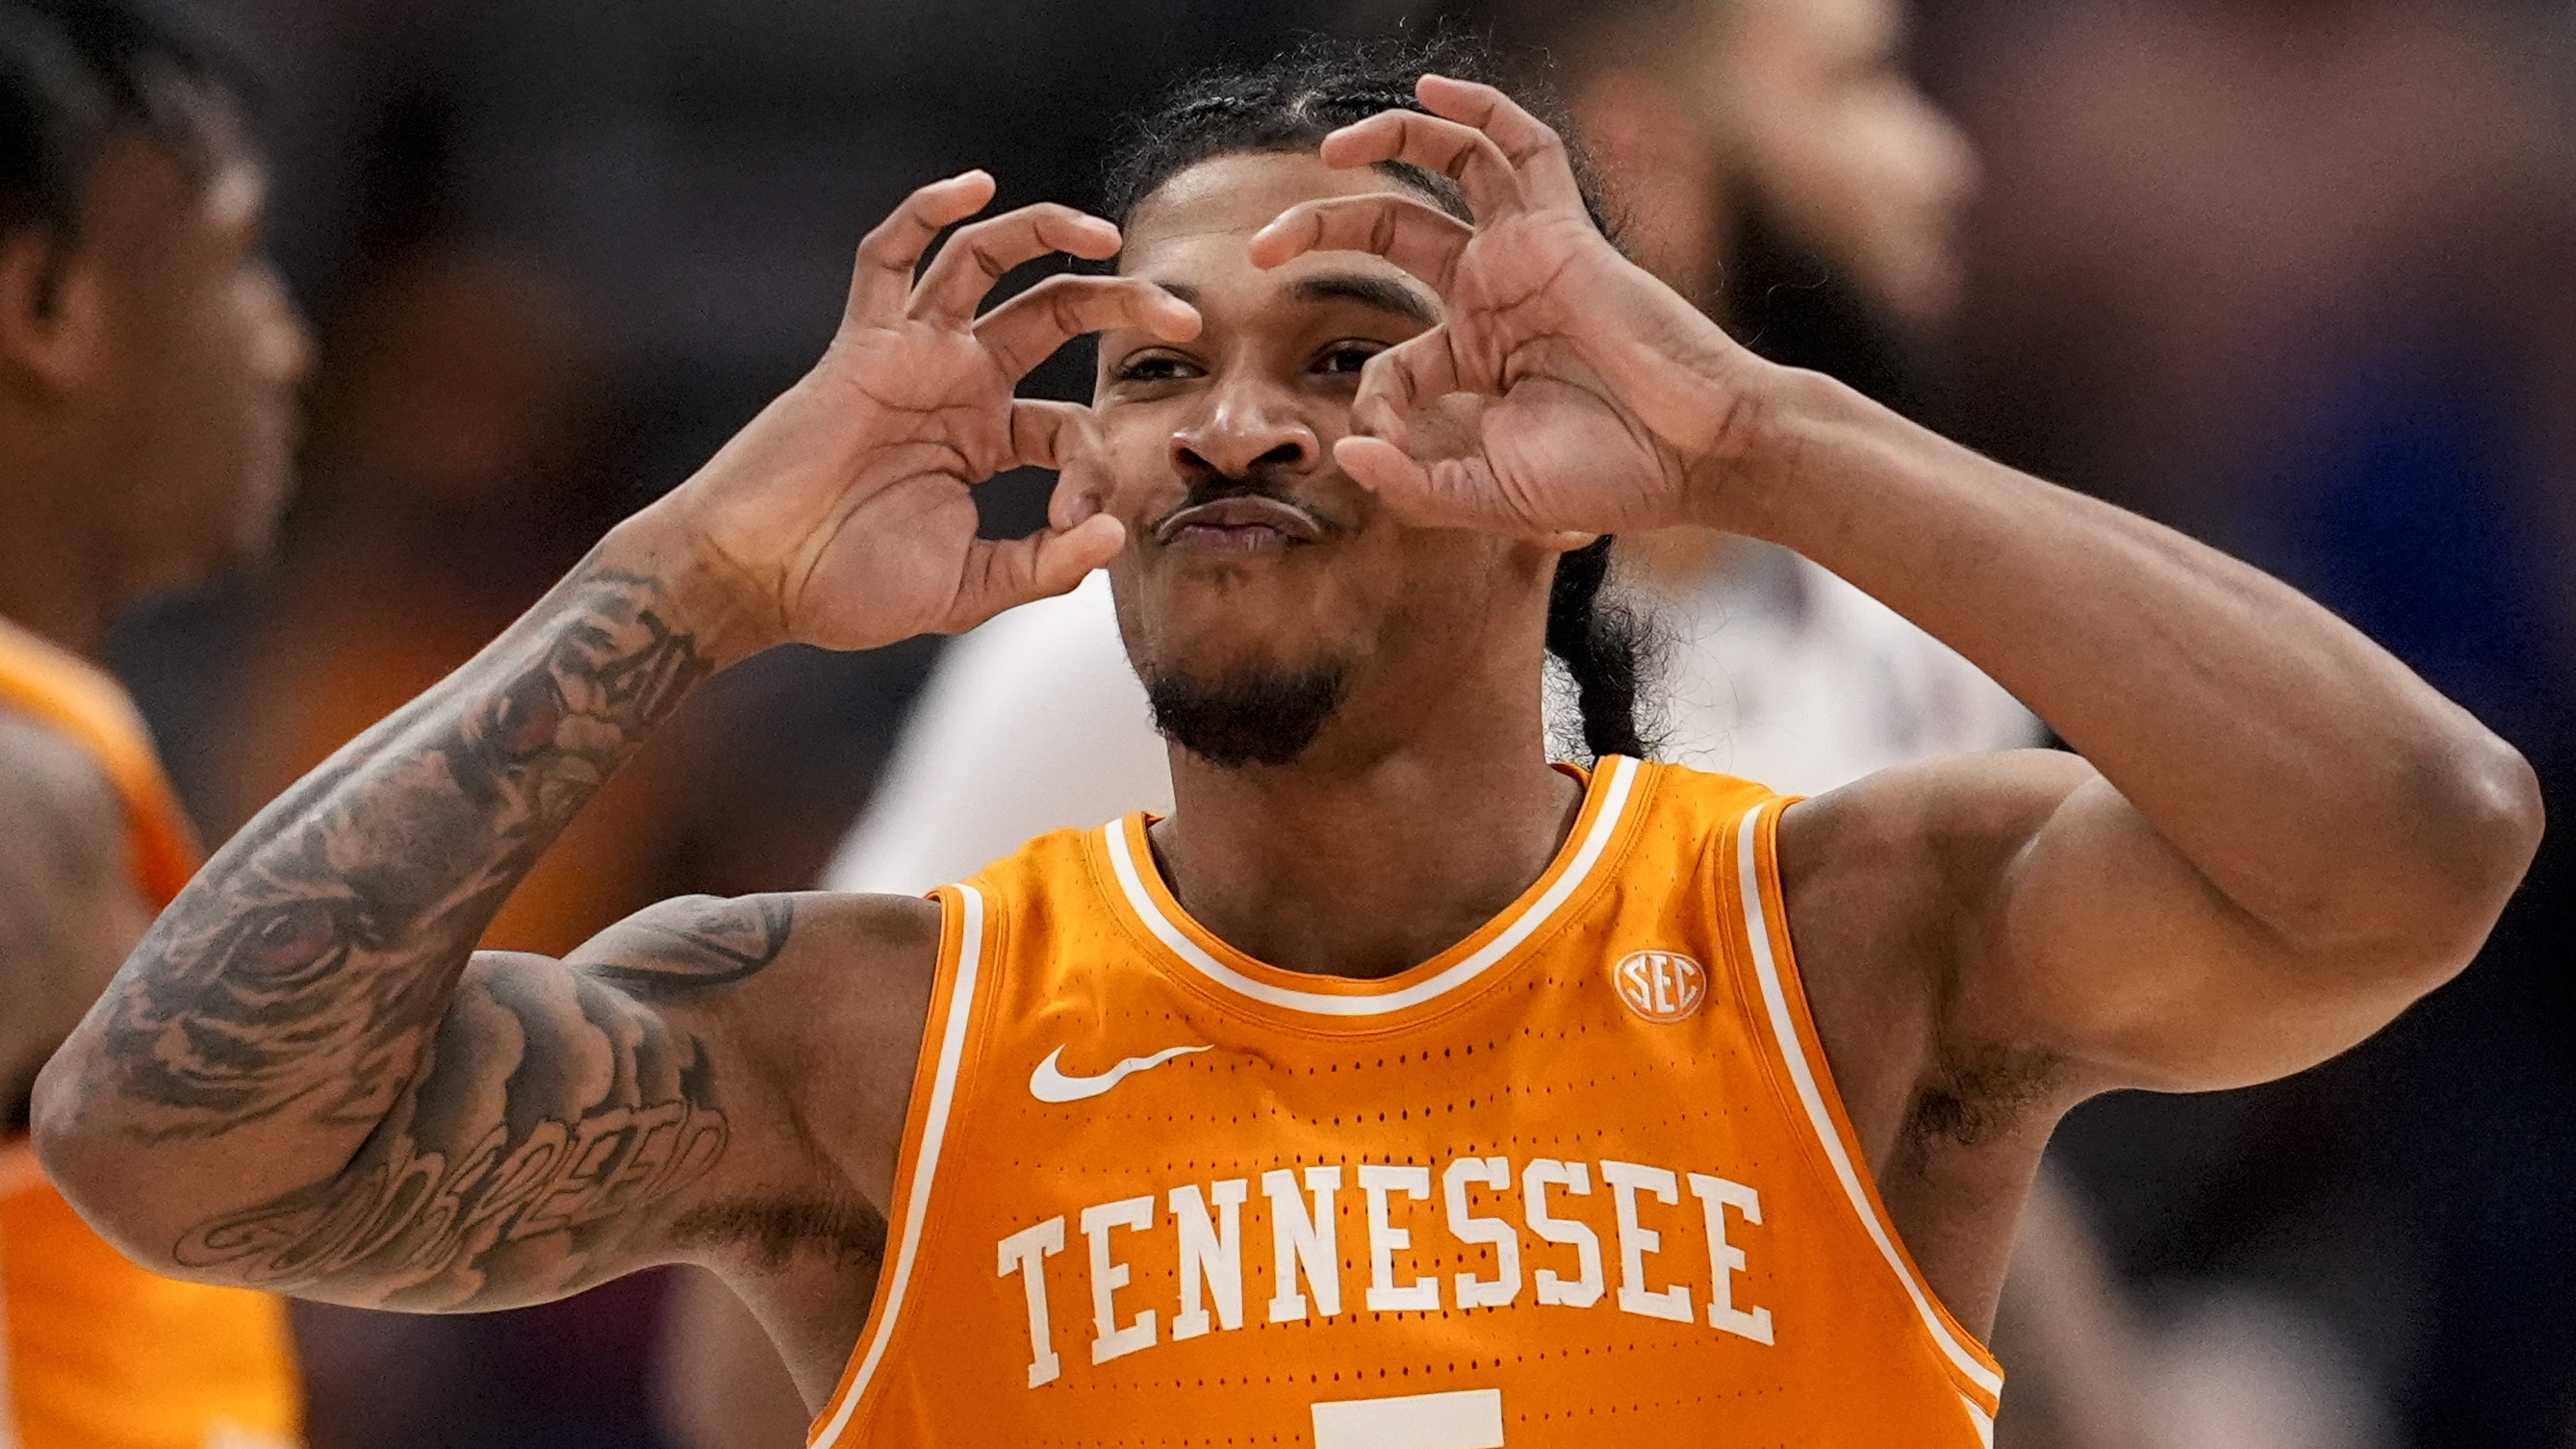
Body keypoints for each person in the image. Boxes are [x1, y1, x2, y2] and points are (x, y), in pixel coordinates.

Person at [33, 38, 2538, 1448]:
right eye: (1150, 369)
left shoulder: (1847, 934)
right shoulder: (862, 1038)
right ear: (1089, 465)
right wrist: (686, 573)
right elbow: (159, 1141)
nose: (1228, 424)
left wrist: (1755, 434)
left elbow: (2415, 843)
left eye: (1339, 356)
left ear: (1548, 447)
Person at [0, 0, 310, 1442]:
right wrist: (683, 578)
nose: (286, 346)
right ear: (43, 305)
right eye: (236, 262)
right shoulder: (21, 796)